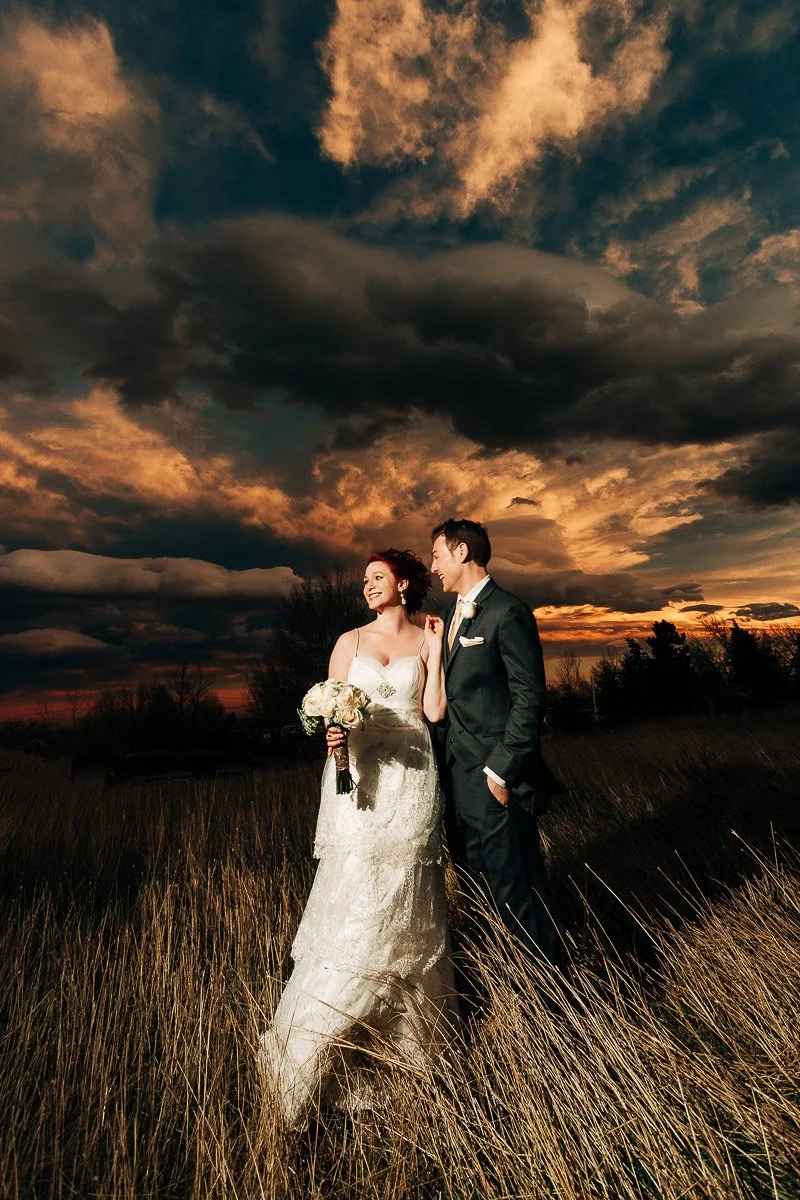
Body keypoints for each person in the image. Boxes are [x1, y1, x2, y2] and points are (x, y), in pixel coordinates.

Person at [258, 548, 454, 1129]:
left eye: (377, 577)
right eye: (364, 580)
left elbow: (434, 712)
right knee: (357, 900)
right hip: (360, 782)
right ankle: (314, 1051)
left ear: (403, 583)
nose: (367, 586)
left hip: (412, 779)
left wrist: (437, 652)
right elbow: (330, 713)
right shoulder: (350, 641)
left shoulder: (426, 636)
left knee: (404, 902)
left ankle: (399, 1061)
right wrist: (332, 734)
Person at [430, 518, 558, 964]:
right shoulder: (449, 615)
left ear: (462, 552)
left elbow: (529, 698)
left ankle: (550, 990)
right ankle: (502, 979)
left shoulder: (508, 611)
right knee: (476, 889)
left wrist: (501, 770)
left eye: (437, 556)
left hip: (493, 777)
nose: (434, 567)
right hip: (456, 778)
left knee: (516, 889)